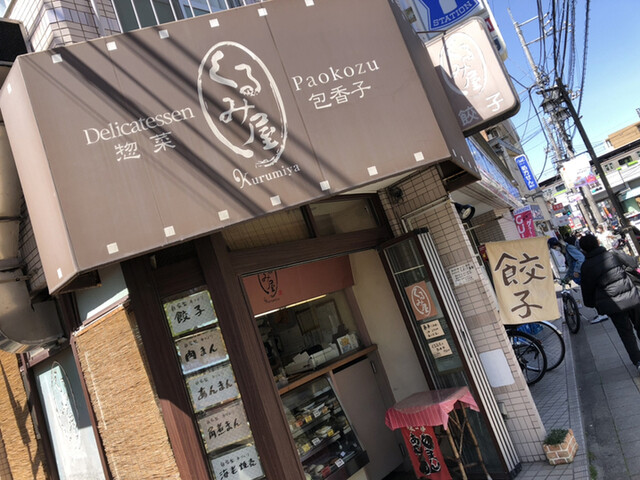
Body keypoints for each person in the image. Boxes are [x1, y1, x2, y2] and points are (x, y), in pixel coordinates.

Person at [579, 233, 640, 371]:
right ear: (597, 243)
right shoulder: (613, 254)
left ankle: (638, 362)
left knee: (626, 334)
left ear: (583, 250)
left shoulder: (586, 266)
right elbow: (633, 263)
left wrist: (591, 304)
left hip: (613, 305)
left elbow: (587, 290)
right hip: (632, 297)